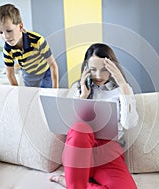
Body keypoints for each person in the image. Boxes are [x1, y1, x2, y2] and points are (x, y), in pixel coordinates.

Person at [49, 43, 139, 189]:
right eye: (93, 70)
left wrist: (123, 85)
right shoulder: (78, 89)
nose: (98, 76)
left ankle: (72, 184)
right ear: (86, 69)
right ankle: (76, 184)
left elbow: (128, 124)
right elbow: (68, 128)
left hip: (108, 153)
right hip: (80, 150)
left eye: (104, 70)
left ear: (113, 69)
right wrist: (83, 96)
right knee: (80, 128)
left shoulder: (123, 90)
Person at [0, 4, 59, 88]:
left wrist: (55, 90)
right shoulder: (7, 50)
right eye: (0, 32)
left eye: (9, 31)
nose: (5, 36)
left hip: (44, 73)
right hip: (28, 75)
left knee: (44, 97)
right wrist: (16, 91)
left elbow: (53, 65)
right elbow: (10, 74)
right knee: (30, 98)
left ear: (20, 26)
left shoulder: (37, 40)